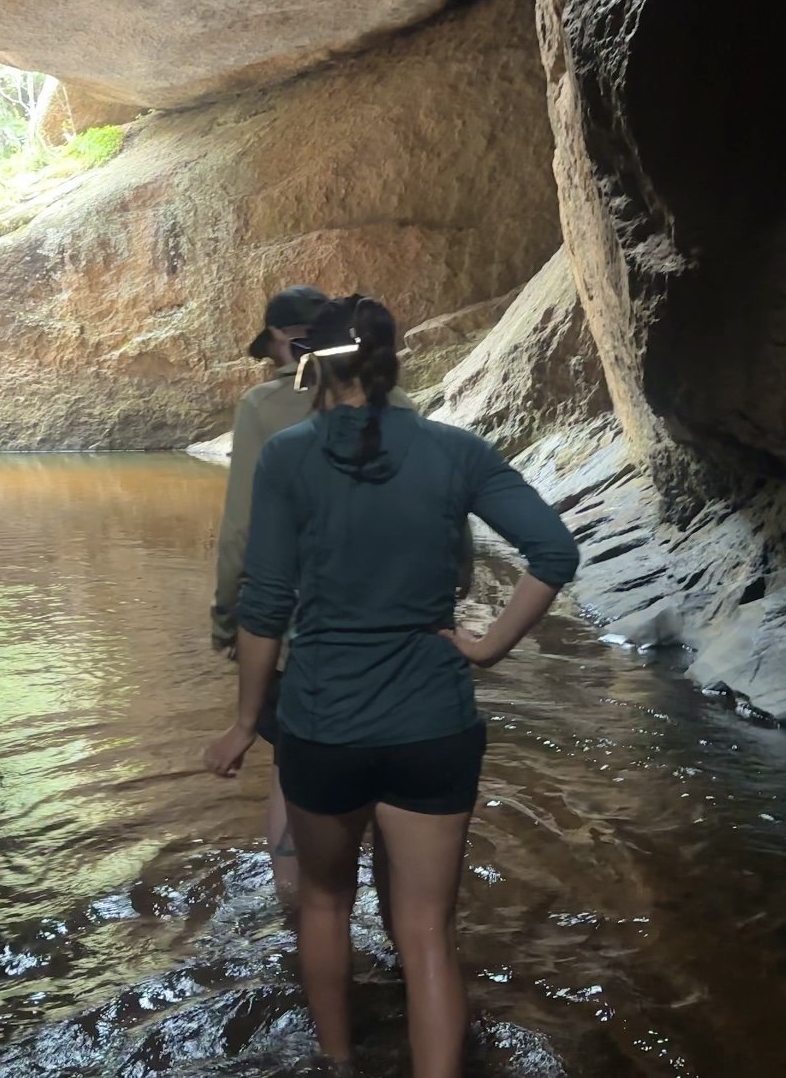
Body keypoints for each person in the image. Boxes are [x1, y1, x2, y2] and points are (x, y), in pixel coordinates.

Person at [203, 295, 578, 1077]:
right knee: (429, 933)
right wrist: (486, 648)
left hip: (322, 724)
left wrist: (245, 722)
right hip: (433, 724)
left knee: (323, 904)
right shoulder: (454, 451)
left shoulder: (288, 456)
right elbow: (553, 550)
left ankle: (339, 1064)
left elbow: (264, 602)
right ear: (391, 363)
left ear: (312, 367)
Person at [211, 286, 461, 913]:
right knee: (392, 797)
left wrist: (226, 619)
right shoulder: (399, 404)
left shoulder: (264, 408)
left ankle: (302, 916)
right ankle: (401, 933)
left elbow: (240, 531)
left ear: (281, 344)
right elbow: (446, 532)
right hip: (396, 638)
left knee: (291, 772)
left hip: (300, 639)